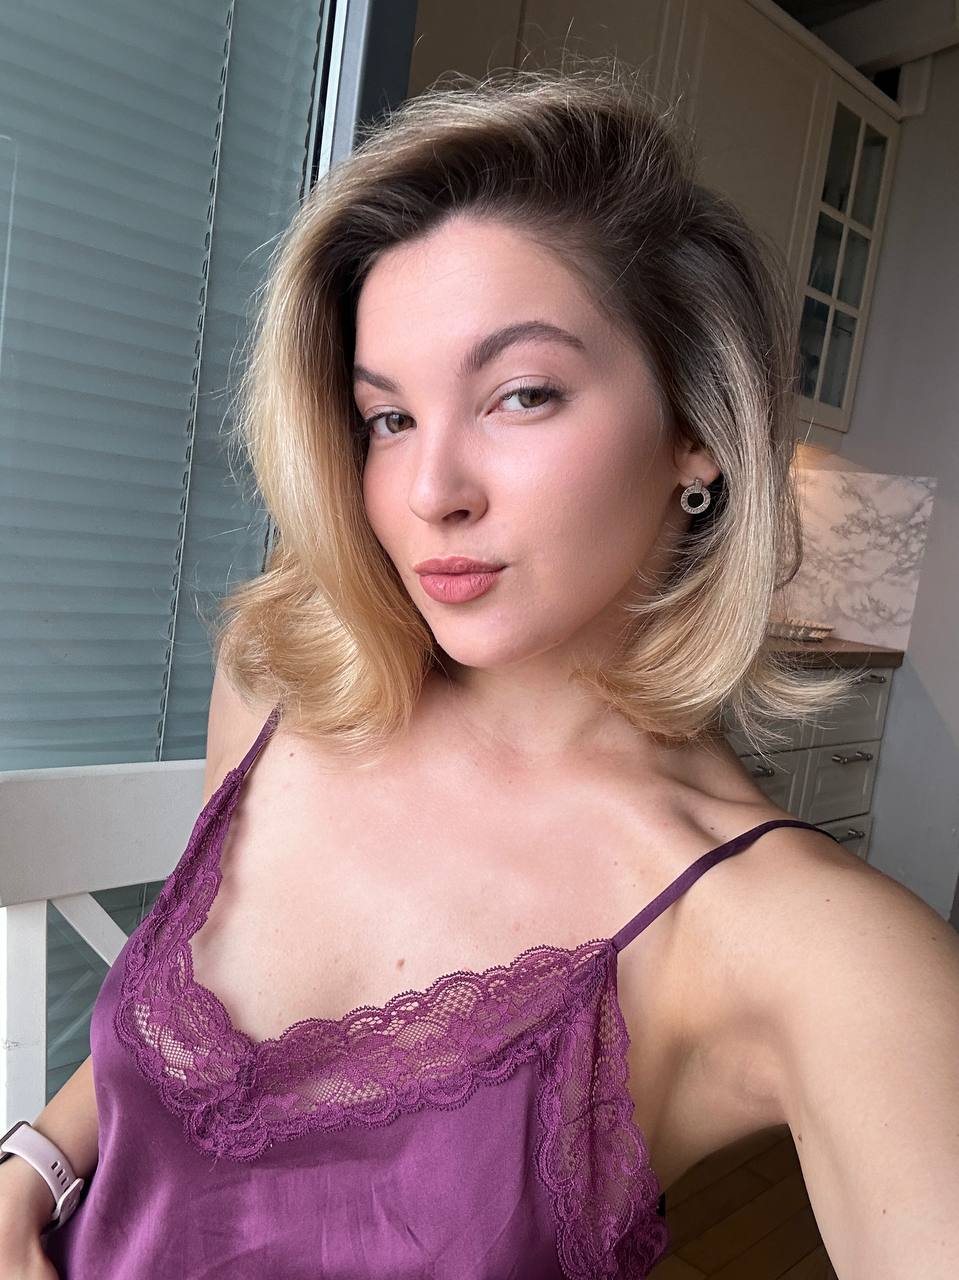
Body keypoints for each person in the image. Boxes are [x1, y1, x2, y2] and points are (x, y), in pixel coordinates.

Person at [4, 63, 958, 1280]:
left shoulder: (799, 941)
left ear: (696, 428)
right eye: (388, 417)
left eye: (519, 394)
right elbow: (174, 1050)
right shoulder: (282, 696)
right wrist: (31, 1165)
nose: (428, 491)